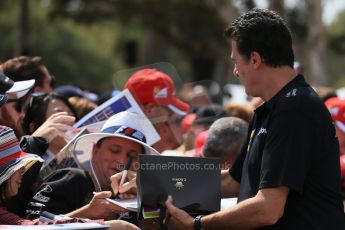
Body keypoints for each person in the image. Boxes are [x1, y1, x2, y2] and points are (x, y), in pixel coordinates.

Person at [113, 8, 345, 229]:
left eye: (236, 61)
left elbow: (268, 208)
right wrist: (151, 182)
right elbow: (233, 181)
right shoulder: (274, 107)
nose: (235, 71)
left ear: (254, 59)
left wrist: (196, 225)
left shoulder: (295, 109)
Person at [26, 111, 159, 221]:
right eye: (114, 150)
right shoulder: (71, 180)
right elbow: (29, 224)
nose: (122, 160)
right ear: (95, 151)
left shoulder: (140, 195)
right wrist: (87, 213)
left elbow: (161, 223)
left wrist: (150, 199)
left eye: (132, 156)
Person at [124, 68, 190, 153]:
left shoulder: (115, 142)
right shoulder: (129, 153)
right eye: (170, 112)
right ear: (150, 109)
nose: (170, 118)